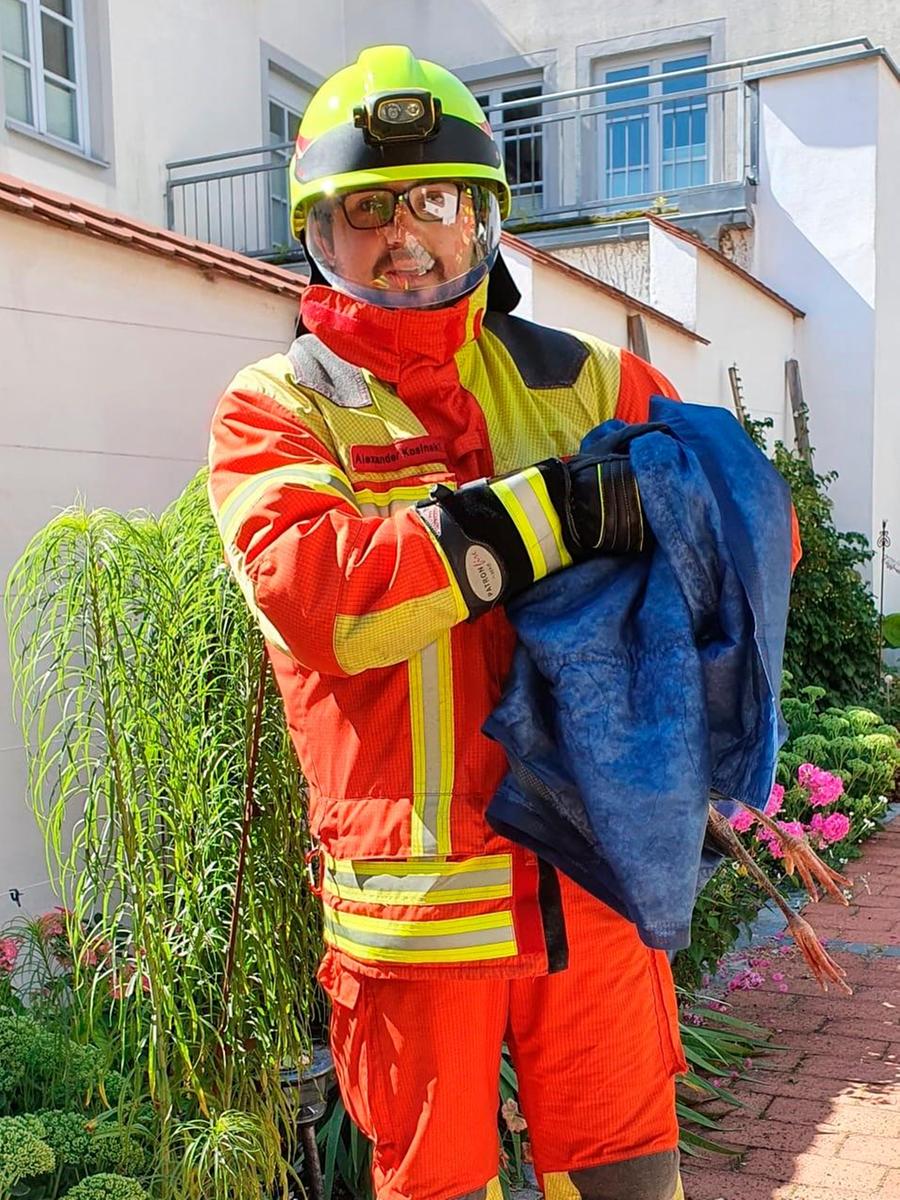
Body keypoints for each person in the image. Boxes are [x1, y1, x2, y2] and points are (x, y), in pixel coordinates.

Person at [208, 44, 687, 1200]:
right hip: (420, 930)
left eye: (435, 199)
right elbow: (324, 596)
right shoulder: (275, 409)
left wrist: (680, 513)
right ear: (317, 237)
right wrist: (554, 514)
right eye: (364, 208)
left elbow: (756, 534)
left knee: (634, 1185)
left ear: (484, 221)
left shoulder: (593, 378)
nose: (403, 232)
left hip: (595, 888)